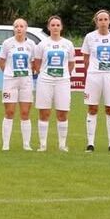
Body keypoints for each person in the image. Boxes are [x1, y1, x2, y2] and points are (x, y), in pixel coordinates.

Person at [81, 9, 110, 152]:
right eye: (100, 20)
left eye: (106, 19)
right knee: (92, 108)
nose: (103, 22)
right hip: (94, 76)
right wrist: (93, 70)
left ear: (109, 21)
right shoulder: (90, 37)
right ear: (96, 22)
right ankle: (90, 144)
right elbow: (86, 58)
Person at [33, 15, 75, 152]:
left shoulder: (68, 44)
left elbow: (71, 63)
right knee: (44, 112)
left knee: (62, 113)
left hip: (62, 82)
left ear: (61, 27)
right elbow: (37, 63)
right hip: (45, 81)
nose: (55, 27)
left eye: (58, 25)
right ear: (48, 27)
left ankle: (62, 145)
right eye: (53, 25)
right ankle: (43, 145)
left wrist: (63, 75)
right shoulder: (42, 44)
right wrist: (45, 74)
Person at [0, 18, 37, 150]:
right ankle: (6, 144)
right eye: (16, 26)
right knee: (9, 111)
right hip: (10, 81)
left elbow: (33, 63)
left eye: (21, 26)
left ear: (26, 28)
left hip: (26, 81)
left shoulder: (31, 44)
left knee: (25, 112)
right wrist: (10, 73)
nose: (19, 29)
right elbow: (2, 62)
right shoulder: (7, 43)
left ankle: (26, 144)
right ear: (13, 29)